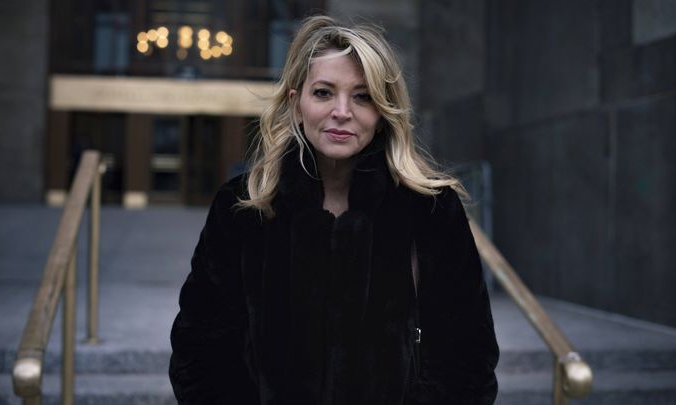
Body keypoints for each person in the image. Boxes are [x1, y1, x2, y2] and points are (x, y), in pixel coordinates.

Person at [169, 15, 499, 405]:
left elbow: (466, 360)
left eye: (362, 96)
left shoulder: (430, 210)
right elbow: (201, 350)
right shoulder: (242, 206)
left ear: (383, 112)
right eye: (324, 92)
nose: (342, 111)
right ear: (297, 103)